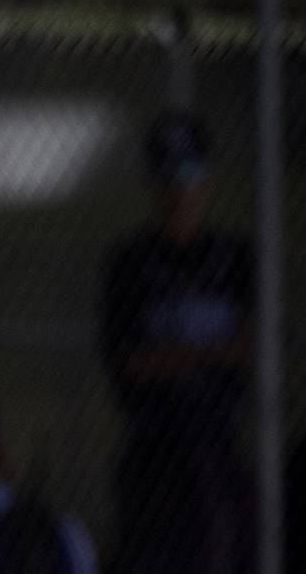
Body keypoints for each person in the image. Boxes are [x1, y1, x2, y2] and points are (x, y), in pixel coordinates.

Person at [100, 110, 254, 574]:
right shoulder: (129, 261)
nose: (178, 190)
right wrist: (208, 352)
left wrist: (174, 358)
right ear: (151, 182)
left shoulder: (234, 257)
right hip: (152, 444)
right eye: (166, 174)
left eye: (189, 172)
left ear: (208, 178)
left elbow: (248, 350)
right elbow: (130, 364)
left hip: (217, 439)